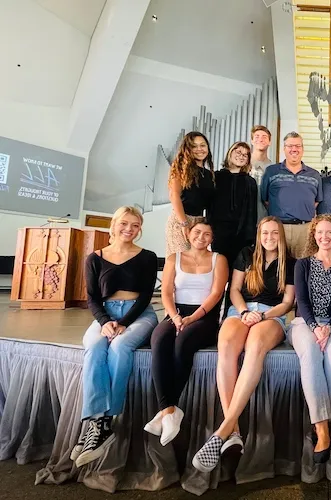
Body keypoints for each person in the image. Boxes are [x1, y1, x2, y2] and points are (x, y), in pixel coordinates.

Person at [192, 217, 296, 472]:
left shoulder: (290, 262)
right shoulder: (246, 254)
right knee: (226, 347)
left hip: (271, 315)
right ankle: (234, 431)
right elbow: (235, 289)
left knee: (255, 346)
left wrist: (262, 316)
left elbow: (287, 302)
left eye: (274, 233)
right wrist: (243, 312)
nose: (269, 237)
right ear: (259, 234)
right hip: (241, 311)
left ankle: (223, 430)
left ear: (280, 235)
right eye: (265, 233)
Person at [72, 206, 158, 467]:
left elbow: (145, 296)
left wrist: (123, 323)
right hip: (105, 314)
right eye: (124, 224)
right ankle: (96, 421)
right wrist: (105, 322)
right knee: (95, 347)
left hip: (137, 314)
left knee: (120, 348)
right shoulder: (95, 258)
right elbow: (92, 297)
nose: (129, 229)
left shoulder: (148, 256)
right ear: (114, 224)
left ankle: (108, 420)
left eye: (135, 225)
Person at [145, 218, 228, 446]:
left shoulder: (218, 259)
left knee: (183, 342)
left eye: (207, 234)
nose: (201, 237)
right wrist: (175, 316)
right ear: (189, 233)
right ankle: (169, 410)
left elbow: (216, 294)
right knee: (159, 339)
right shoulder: (175, 258)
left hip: (205, 317)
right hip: (176, 313)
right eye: (197, 232)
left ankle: (167, 410)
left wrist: (193, 317)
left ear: (212, 239)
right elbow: (167, 293)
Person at [288, 214, 331, 464]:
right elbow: (301, 301)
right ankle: (324, 431)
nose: (324, 237)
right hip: (305, 323)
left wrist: (328, 327)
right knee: (312, 355)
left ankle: (318, 423)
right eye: (320, 232)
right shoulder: (302, 264)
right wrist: (316, 327)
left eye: (329, 232)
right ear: (314, 235)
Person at [260, 132, 323, 259]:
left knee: (303, 268)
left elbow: (316, 202)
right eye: (290, 146)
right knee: (277, 267)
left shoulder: (314, 175)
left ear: (303, 149)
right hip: (278, 228)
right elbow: (265, 199)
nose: (294, 149)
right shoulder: (271, 171)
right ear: (284, 149)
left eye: (298, 146)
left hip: (305, 229)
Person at [210, 141, 258, 273]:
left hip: (241, 235)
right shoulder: (216, 177)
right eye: (238, 152)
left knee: (237, 274)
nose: (241, 156)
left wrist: (251, 237)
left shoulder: (250, 182)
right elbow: (210, 207)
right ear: (230, 153)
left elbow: (251, 212)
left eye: (245, 155)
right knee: (218, 273)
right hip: (219, 233)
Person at [166, 132, 216, 257]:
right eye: (194, 146)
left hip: (199, 221)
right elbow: (174, 195)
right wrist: (184, 223)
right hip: (181, 220)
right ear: (188, 149)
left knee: (195, 262)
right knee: (179, 261)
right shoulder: (180, 169)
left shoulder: (209, 174)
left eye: (203, 145)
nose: (199, 149)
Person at [250, 125, 274, 223]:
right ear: (252, 141)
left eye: (264, 137)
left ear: (269, 142)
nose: (260, 139)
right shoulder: (243, 165)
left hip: (264, 220)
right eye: (257, 136)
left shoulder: (273, 169)